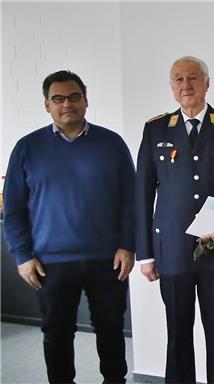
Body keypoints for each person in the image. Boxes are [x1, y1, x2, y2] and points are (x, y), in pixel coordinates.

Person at [134, 56, 214, 383]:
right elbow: (142, 194)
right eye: (179, 79)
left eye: (193, 78)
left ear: (207, 83)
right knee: (177, 334)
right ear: (171, 86)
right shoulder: (156, 129)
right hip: (173, 248)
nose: (186, 85)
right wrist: (145, 254)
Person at [3, 70, 134, 383]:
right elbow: (14, 209)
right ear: (47, 105)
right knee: (57, 334)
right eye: (58, 98)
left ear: (85, 100)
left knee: (111, 331)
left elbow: (131, 201)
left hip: (107, 260)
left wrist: (128, 245)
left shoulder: (111, 144)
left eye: (74, 97)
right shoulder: (27, 148)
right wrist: (22, 255)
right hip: (50, 263)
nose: (67, 104)